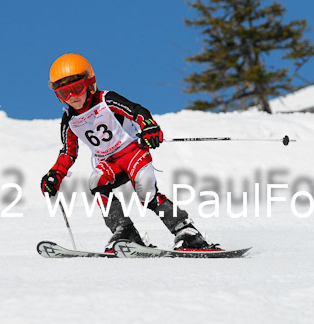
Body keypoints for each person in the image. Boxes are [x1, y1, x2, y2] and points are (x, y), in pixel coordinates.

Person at [41, 53, 218, 253]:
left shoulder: (106, 100)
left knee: (146, 192)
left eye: (76, 89)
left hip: (133, 152)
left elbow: (136, 111)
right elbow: (68, 152)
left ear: (90, 83)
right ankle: (125, 231)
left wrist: (149, 126)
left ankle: (186, 231)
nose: (72, 97)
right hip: (110, 162)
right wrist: (55, 174)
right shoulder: (69, 120)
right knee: (96, 182)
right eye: (64, 94)